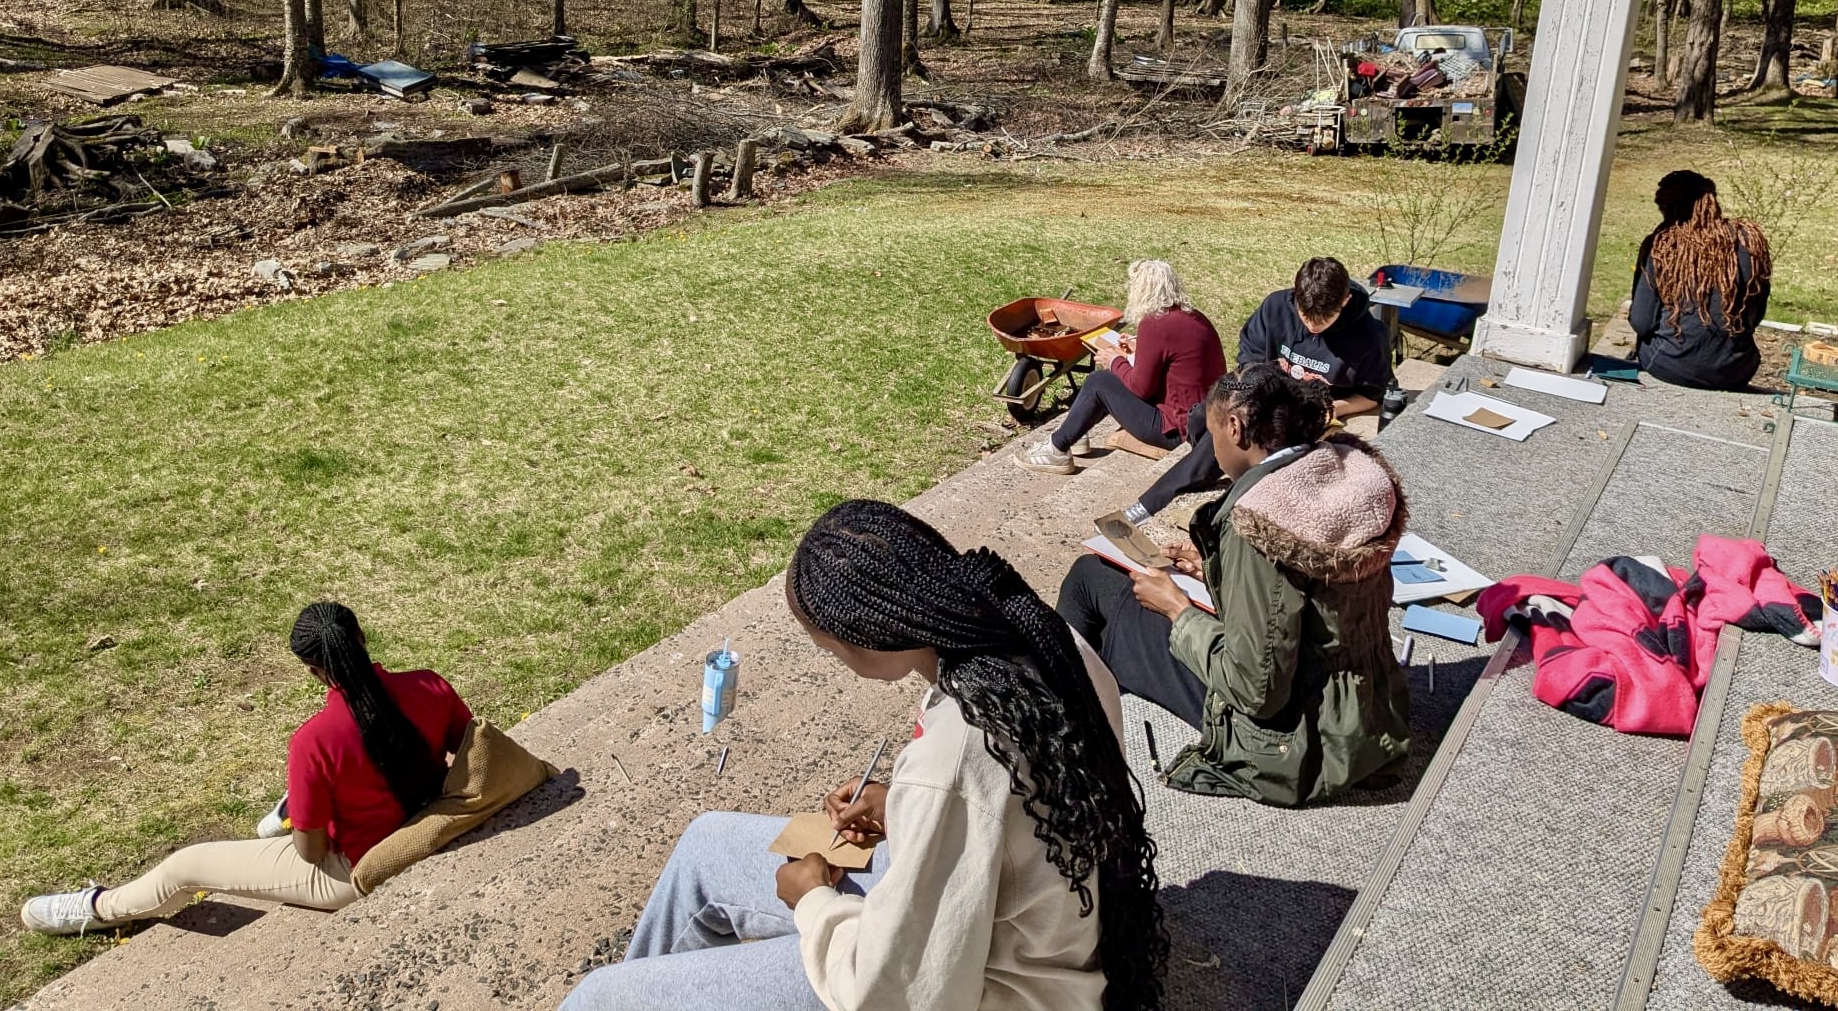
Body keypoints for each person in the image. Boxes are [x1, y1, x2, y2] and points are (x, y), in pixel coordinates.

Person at [562, 499, 1165, 1011]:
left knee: (600, 996)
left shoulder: (960, 749)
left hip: (996, 987)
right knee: (706, 845)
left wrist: (814, 903)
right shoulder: (1039, 635)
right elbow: (1009, 811)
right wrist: (900, 803)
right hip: (1014, 925)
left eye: (826, 645)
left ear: (866, 636)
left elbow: (899, 991)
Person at [1059, 365, 1411, 805]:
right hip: (1364, 711)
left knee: (1090, 579)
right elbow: (1313, 598)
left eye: (1211, 436)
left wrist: (1178, 611)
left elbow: (1255, 688)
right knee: (1118, 599)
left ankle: (1054, 718)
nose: (1212, 450)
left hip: (1293, 741)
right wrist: (1215, 571)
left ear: (1235, 427)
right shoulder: (1345, 476)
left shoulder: (1258, 520)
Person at [20, 602, 470, 935]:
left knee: (185, 865)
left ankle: (99, 909)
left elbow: (310, 855)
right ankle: (298, 803)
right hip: (430, 823)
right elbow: (469, 748)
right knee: (313, 797)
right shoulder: (429, 684)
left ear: (313, 670)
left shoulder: (313, 742)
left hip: (357, 869)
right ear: (361, 639)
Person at [1125, 255, 1390, 522]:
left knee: (1237, 433)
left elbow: (1372, 395)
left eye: (1323, 321)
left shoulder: (1369, 336)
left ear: (1344, 302)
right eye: (1305, 317)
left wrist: (1332, 408)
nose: (1312, 326)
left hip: (1309, 411)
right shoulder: (1275, 307)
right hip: (1263, 392)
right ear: (1294, 297)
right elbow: (1248, 359)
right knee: (1200, 414)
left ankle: (1151, 503)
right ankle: (1203, 467)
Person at [1017, 258, 1225, 476]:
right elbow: (1174, 363)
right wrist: (1138, 349)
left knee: (1100, 381)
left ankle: (1056, 449)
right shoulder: (1195, 317)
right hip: (1203, 422)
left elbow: (1142, 388)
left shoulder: (1154, 323)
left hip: (1177, 431)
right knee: (1109, 379)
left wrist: (1115, 360)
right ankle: (1074, 434)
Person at [1628, 170, 1773, 391]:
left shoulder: (1662, 246)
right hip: (1735, 370)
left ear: (1668, 207)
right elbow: (1755, 316)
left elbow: (1641, 322)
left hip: (1667, 364)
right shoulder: (1749, 241)